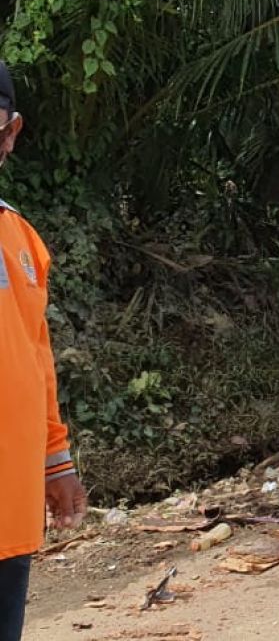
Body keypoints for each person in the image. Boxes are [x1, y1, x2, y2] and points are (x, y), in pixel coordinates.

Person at [0, 60, 89, 640]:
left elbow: (36, 358)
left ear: (10, 132)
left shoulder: (21, 237)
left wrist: (56, 462)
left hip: (10, 504)